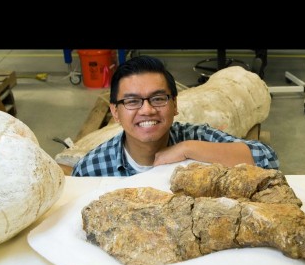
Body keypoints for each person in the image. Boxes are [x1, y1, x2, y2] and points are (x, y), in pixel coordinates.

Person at [72, 55, 279, 177]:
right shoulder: (91, 168)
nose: (147, 110)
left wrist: (187, 149)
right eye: (132, 101)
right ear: (115, 112)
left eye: (158, 98)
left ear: (175, 104)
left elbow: (267, 160)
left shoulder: (197, 138)